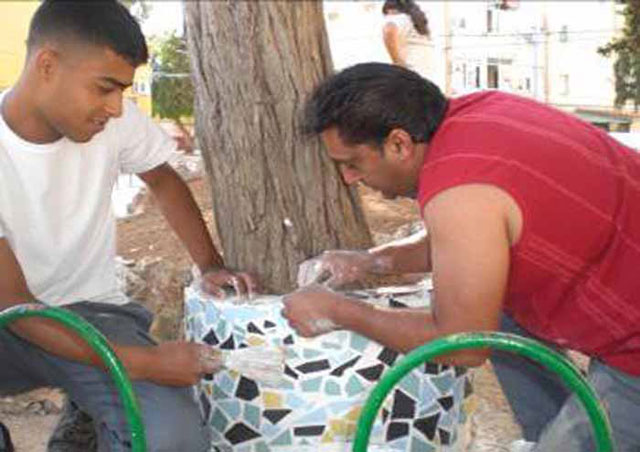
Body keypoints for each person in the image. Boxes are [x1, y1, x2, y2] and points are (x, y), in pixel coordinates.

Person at [282, 62, 640, 452]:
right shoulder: (476, 112)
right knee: (491, 303)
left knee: (471, 316)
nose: (349, 179)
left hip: (633, 354)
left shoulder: (460, 190)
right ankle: (551, 435)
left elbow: (463, 345)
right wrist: (372, 261)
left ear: (399, 144)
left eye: (352, 164)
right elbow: (468, 241)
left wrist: (337, 311)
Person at [0, 1, 257, 451]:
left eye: (122, 90)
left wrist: (210, 264)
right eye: (105, 88)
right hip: (8, 324)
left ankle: (88, 417)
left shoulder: (111, 124)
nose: (116, 108)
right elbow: (15, 305)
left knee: (169, 440)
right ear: (47, 65)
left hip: (94, 315)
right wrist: (143, 363)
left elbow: (162, 178)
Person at [382, 0, 433, 79]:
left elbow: (389, 30)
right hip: (425, 74)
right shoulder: (417, 22)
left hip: (409, 73)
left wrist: (397, 62)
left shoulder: (399, 17)